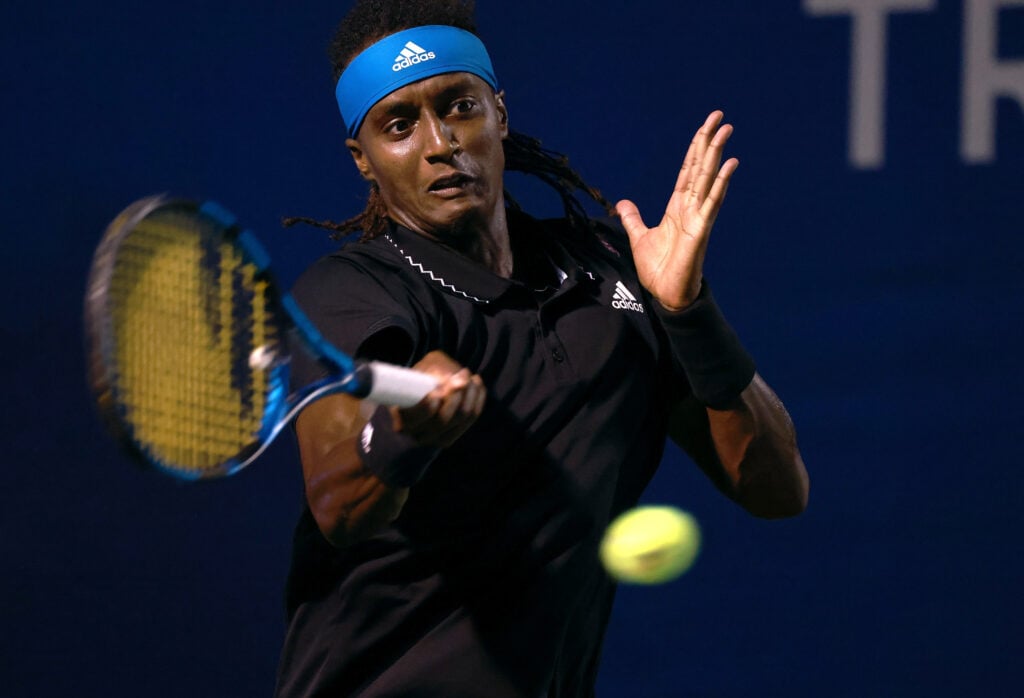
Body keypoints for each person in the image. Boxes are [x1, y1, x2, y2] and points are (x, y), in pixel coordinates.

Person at [274, 1, 809, 696]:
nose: (440, 142)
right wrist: (404, 432)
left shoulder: (610, 271)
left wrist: (687, 313)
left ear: (499, 113)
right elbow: (341, 508)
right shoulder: (351, 293)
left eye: (459, 106)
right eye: (399, 125)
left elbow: (776, 489)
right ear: (364, 160)